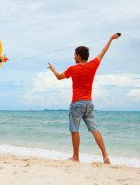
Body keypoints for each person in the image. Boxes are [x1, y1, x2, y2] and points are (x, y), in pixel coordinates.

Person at [48, 33, 121, 164]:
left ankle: (76, 157)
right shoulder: (93, 65)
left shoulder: (73, 69)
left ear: (79, 56)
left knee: (74, 130)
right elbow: (103, 51)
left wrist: (52, 68)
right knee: (94, 129)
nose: (73, 56)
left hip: (77, 103)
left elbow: (59, 77)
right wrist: (111, 39)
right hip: (89, 103)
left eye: (75, 54)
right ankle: (105, 156)